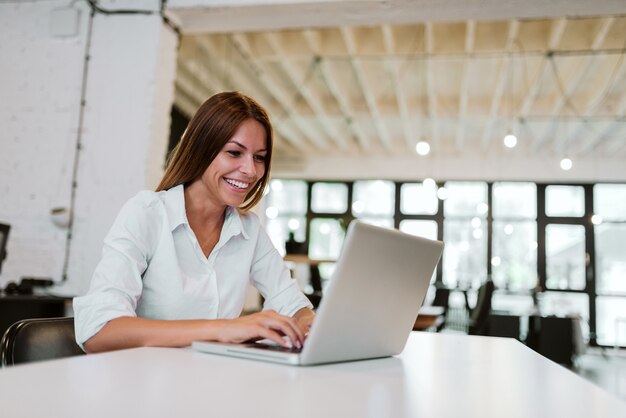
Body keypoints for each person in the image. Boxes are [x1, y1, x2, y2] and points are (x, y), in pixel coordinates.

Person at [73, 91, 315, 353]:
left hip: (210, 381)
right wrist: (224, 329)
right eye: (234, 153)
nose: (251, 170)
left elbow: (293, 305)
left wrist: (310, 323)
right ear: (202, 149)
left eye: (259, 157)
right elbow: (98, 330)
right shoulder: (148, 213)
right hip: (144, 383)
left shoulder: (249, 230)